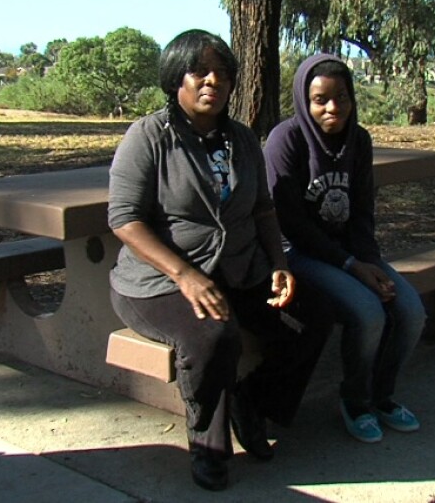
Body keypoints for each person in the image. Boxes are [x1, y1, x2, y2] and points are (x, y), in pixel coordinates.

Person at [108, 30, 328, 491]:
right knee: (213, 335)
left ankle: (254, 403)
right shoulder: (149, 137)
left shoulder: (242, 139)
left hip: (239, 270)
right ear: (176, 79)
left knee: (310, 321)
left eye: (223, 73)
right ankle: (208, 444)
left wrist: (277, 264)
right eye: (200, 72)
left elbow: (263, 208)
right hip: (157, 282)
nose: (213, 81)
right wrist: (185, 275)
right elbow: (125, 219)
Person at [264, 54, 426, 444]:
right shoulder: (286, 140)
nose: (332, 107)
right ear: (305, 101)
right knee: (368, 313)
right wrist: (353, 266)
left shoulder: (359, 139)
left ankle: (382, 396)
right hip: (298, 255)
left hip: (348, 254)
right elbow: (292, 224)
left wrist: (371, 263)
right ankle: (354, 400)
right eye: (321, 99)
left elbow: (361, 212)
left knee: (410, 310)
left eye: (341, 97)